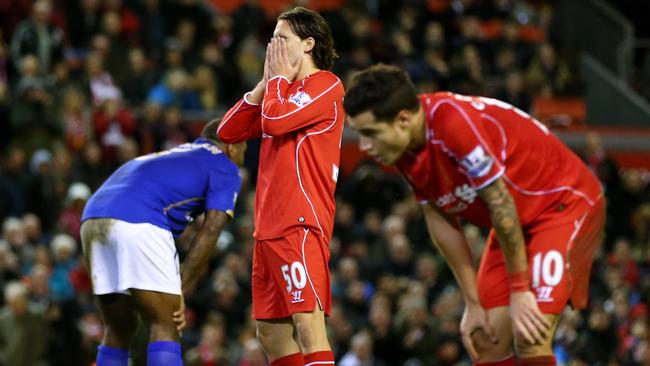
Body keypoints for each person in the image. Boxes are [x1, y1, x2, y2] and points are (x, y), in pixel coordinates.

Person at [344, 64, 605, 366]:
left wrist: (520, 290)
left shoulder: (452, 124)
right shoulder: (402, 147)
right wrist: (472, 302)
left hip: (563, 205)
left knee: (531, 334)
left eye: (370, 134)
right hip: (516, 221)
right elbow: (440, 219)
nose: (365, 146)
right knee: (486, 338)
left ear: (403, 119)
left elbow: (500, 203)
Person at [217, 7, 344, 366]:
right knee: (270, 332)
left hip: (299, 224)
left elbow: (274, 121)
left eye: (281, 38)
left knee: (308, 326)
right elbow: (227, 132)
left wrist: (274, 84)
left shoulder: (326, 85)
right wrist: (264, 84)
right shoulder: (280, 90)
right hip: (268, 229)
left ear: (308, 43)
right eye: (270, 39)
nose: (272, 47)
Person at [81, 118, 246, 366]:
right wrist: (182, 286)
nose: (243, 155)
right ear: (232, 147)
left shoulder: (177, 153)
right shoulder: (224, 165)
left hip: (92, 217)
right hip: (137, 218)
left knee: (119, 327)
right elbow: (211, 230)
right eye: (243, 149)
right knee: (167, 323)